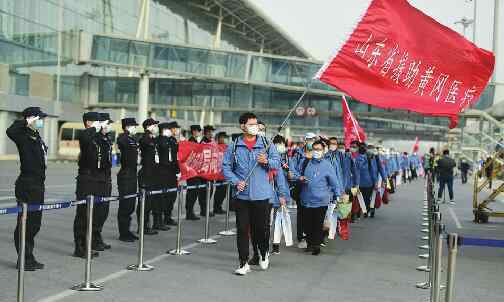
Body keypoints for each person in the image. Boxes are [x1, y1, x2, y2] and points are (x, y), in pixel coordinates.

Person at [222, 112, 281, 275]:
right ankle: (243, 263)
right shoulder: (234, 146)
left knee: (260, 229)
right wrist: (236, 181)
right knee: (242, 229)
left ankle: (263, 253)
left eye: (256, 124)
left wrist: (267, 161)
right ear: (242, 126)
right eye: (251, 124)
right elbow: (226, 167)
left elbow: (278, 162)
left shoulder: (266, 144)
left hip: (262, 196)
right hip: (242, 196)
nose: (255, 127)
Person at [7, 107, 48, 270]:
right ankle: (23, 259)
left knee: (35, 224)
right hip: (27, 184)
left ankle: (29, 256)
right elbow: (10, 131)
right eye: (39, 118)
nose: (41, 121)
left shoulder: (35, 136)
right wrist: (25, 121)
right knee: (25, 223)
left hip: (38, 185)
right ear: (31, 119)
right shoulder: (22, 135)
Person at [73, 112, 112, 258]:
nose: (102, 125)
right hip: (87, 180)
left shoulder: (100, 137)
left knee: (99, 212)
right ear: (89, 122)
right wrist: (94, 128)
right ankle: (80, 246)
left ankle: (92, 240)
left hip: (100, 179)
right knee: (83, 215)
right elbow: (84, 138)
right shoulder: (87, 136)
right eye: (97, 121)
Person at [295, 140, 342, 255]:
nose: (316, 152)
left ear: (323, 150)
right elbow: (296, 173)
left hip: (321, 200)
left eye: (319, 149)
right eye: (314, 149)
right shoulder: (306, 162)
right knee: (307, 224)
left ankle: (316, 245)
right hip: (306, 199)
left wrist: (337, 195)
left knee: (317, 223)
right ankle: (310, 243)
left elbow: (334, 181)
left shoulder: (327, 165)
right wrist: (299, 178)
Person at [289, 132, 318, 249]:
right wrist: (299, 177)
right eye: (309, 139)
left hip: (315, 188)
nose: (311, 141)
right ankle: (301, 236)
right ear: (305, 141)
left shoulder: (319, 154)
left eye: (313, 139)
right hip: (301, 186)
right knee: (302, 212)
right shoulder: (298, 154)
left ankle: (313, 237)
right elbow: (292, 169)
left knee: (313, 212)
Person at [117, 117, 140, 242]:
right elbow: (121, 141)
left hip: (132, 174)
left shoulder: (132, 139)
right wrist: (126, 133)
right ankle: (123, 233)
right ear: (127, 127)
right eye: (133, 126)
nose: (135, 128)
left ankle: (127, 230)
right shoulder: (123, 138)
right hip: (125, 174)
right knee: (125, 205)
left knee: (131, 205)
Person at [154, 122, 181, 229]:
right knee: (161, 197)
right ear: (164, 130)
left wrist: (178, 171)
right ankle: (158, 220)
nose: (172, 131)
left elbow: (175, 157)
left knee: (171, 196)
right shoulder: (159, 141)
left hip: (171, 172)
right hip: (161, 172)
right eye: (169, 129)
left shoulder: (172, 140)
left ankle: (167, 216)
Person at [138, 118, 160, 235]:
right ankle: (142, 226)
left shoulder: (152, 139)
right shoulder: (145, 139)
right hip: (146, 173)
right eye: (154, 125)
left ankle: (146, 225)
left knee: (150, 202)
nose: (156, 127)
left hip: (152, 173)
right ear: (149, 127)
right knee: (144, 202)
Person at [186, 125, 208, 219]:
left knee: (194, 192)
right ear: (194, 132)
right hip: (192, 171)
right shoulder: (191, 141)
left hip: (196, 171)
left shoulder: (196, 141)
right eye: (198, 131)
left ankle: (190, 212)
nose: (199, 133)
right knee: (192, 192)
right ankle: (189, 212)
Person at [213, 132, 230, 215]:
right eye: (221, 138)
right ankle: (216, 207)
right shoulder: (215, 147)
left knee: (223, 192)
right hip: (218, 174)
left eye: (224, 138)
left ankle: (219, 207)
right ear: (218, 138)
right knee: (219, 192)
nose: (223, 139)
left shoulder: (227, 147)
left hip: (225, 173)